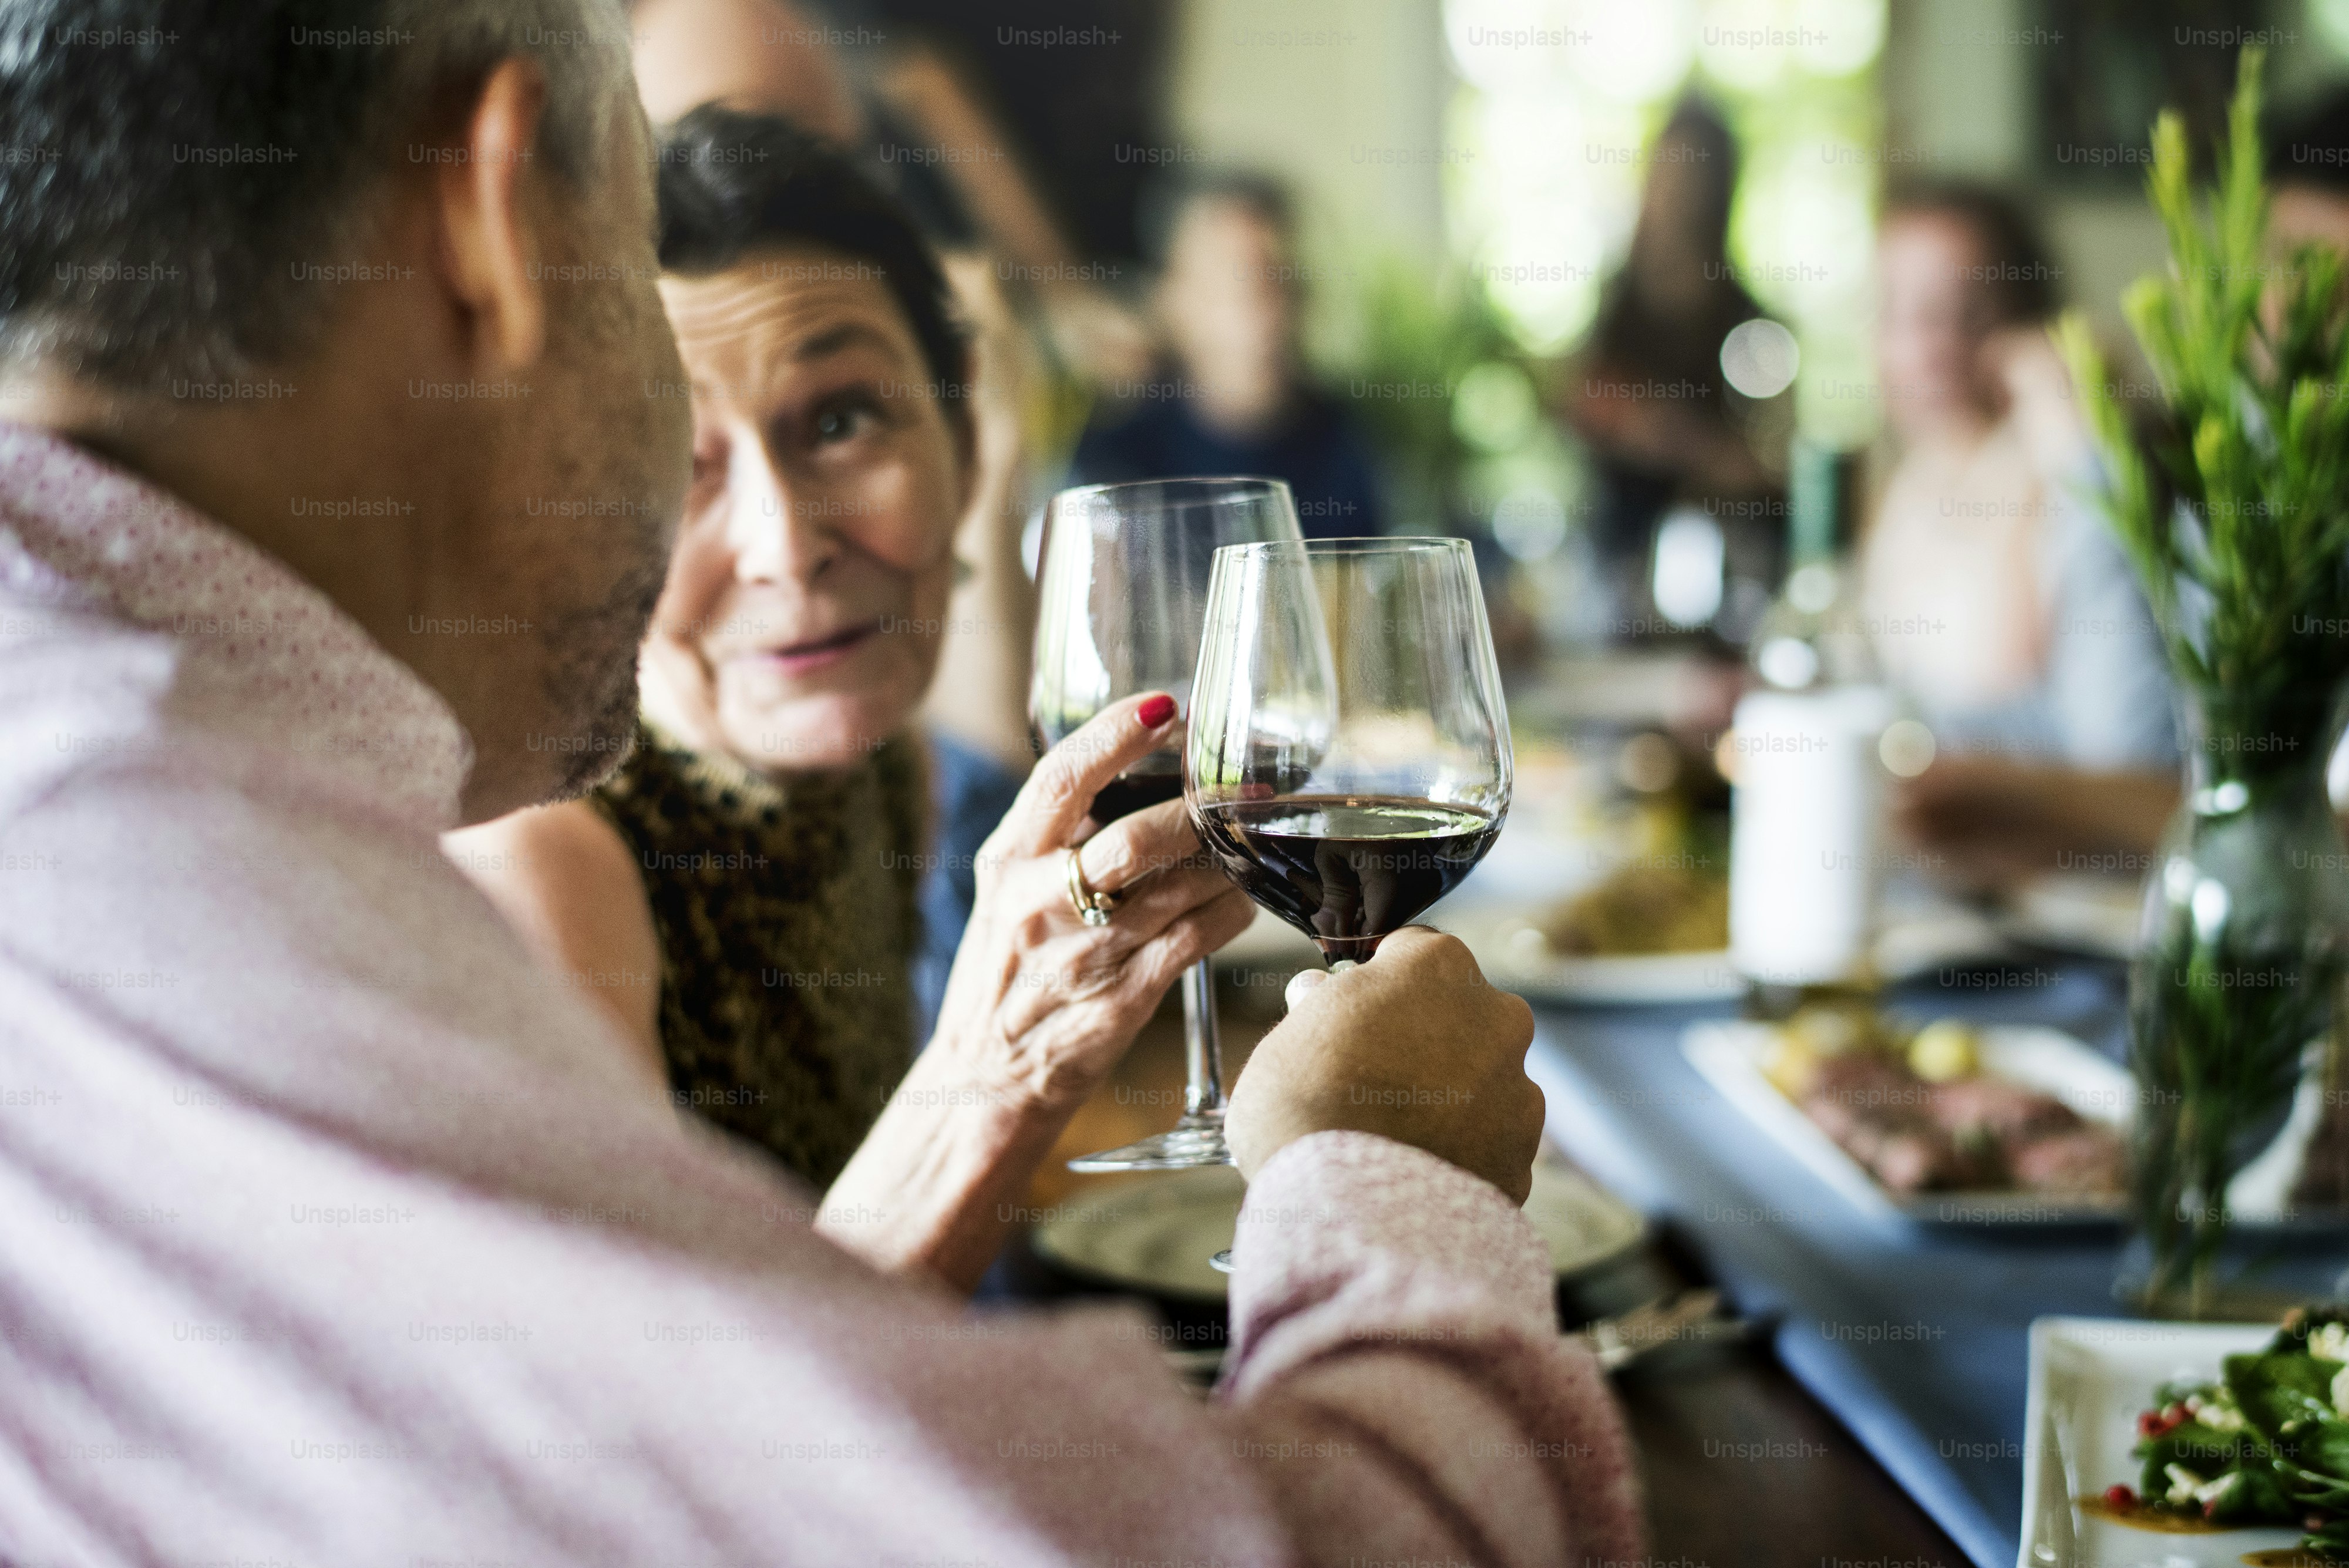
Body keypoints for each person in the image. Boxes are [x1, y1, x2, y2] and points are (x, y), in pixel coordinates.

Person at [0, 4, 1643, 1562]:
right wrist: (1387, 1166)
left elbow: (698, 1446)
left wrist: (994, 1068)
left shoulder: (117, 784)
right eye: (632, 235)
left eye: (846, 416)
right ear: (500, 218)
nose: (776, 541)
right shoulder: (199, 878)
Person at [447, 110, 1160, 1216]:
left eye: (840, 420)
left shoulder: (886, 769)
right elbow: (688, 1382)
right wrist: (1003, 1075)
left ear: (964, 437)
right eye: (673, 464)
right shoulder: (546, 864)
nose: (787, 545)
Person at [1860, 183, 2180, 883]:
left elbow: (2130, 760)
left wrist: (2083, 445)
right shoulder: (1906, 490)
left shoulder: (2072, 476)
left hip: (2065, 905)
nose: (1925, 348)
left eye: (1960, 313)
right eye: (1898, 313)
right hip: (1933, 885)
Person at [1564, 100, 1783, 636]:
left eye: (1695, 175)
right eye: (1670, 171)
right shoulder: (1617, 308)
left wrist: (1678, 438)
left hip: (1729, 577)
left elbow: (1769, 463)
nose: (1678, 191)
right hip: (1618, 564)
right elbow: (1582, 403)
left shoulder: (1749, 320)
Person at [1066, 173, 1387, 539]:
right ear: (1171, 300)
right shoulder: (1115, 459)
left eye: (1277, 276)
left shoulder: (1354, 444)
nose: (1262, 309)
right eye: (1232, 281)